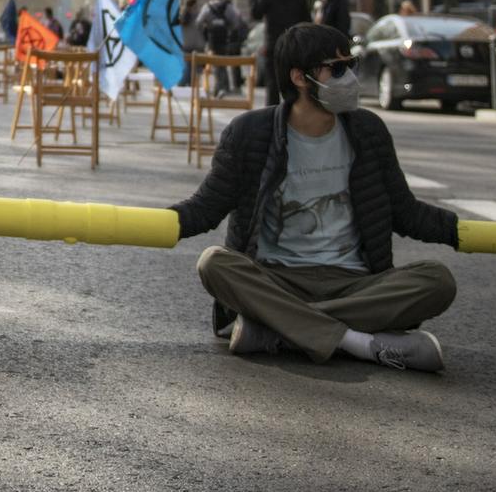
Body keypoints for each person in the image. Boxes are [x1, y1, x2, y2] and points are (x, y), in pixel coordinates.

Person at [172, 22, 459, 372]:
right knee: (213, 263)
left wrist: (461, 232)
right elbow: (206, 208)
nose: (349, 78)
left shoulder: (368, 131)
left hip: (354, 283)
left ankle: (276, 330)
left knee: (438, 281)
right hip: (276, 279)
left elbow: (405, 212)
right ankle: (360, 343)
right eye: (336, 69)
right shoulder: (249, 134)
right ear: (299, 78)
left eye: (350, 65)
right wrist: (150, 224)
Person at [250, 0, 312, 107]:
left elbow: (256, 14)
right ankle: (293, 114)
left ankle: (273, 116)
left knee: (272, 82)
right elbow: (307, 20)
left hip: (273, 44)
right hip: (294, 44)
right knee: (293, 80)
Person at [195, 0, 249, 90]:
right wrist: (229, 28)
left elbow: (198, 22)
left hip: (212, 39)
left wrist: (206, 28)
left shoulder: (208, 7)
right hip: (224, 38)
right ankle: (224, 85)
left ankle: (220, 86)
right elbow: (236, 21)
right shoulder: (228, 7)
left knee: (215, 62)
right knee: (223, 61)